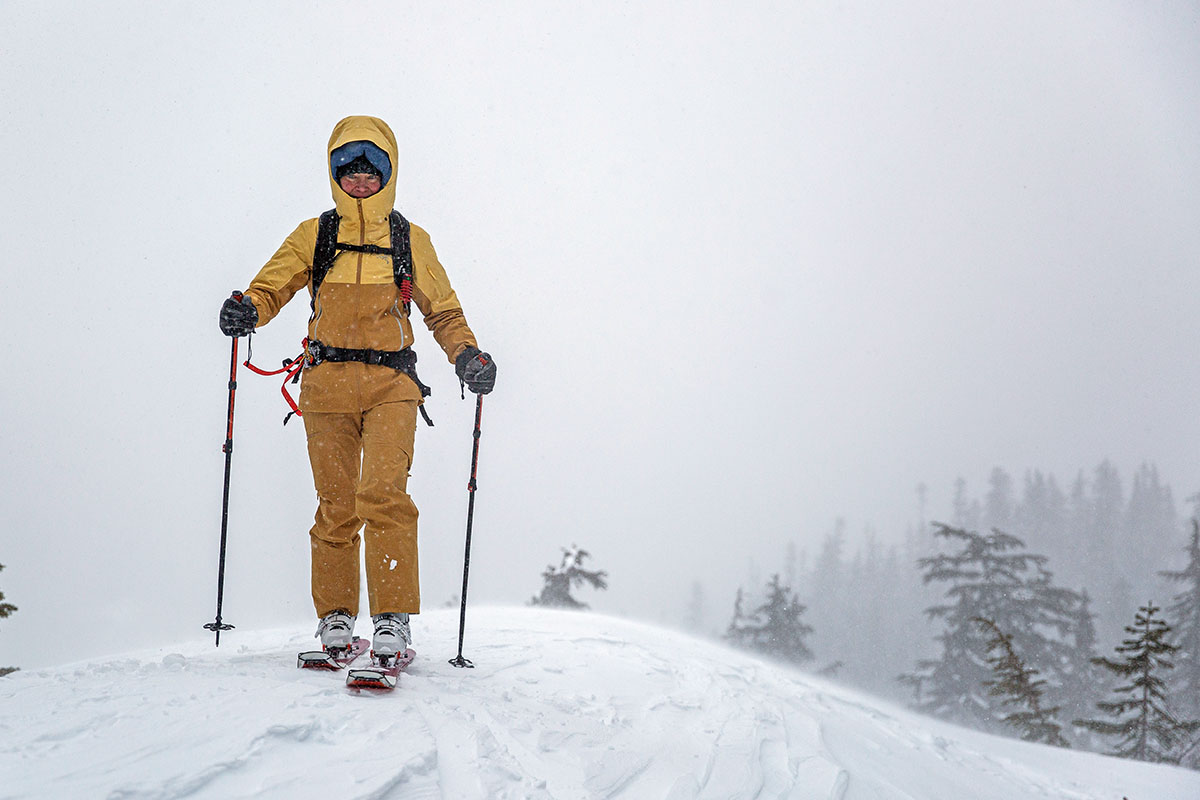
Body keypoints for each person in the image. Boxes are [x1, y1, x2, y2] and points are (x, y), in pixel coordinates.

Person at [218, 115, 496, 657]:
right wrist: (248, 309)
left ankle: (392, 619)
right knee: (336, 504)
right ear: (335, 174)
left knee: (384, 495)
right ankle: (337, 617)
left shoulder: (410, 239)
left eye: (373, 171)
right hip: (325, 387)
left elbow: (443, 311)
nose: (361, 180)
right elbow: (270, 288)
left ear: (388, 175)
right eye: (350, 169)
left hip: (392, 383)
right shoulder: (315, 234)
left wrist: (467, 355)